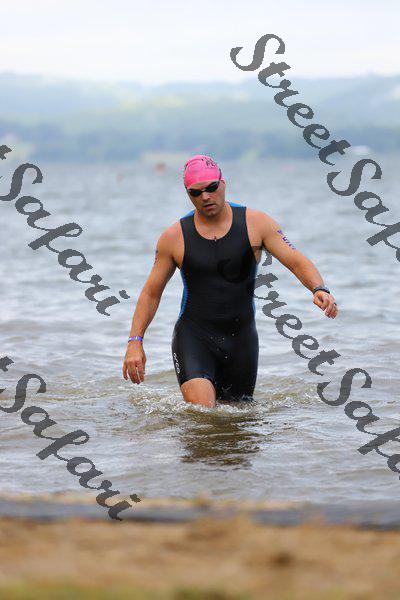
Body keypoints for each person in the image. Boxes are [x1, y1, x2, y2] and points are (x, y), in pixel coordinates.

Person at [122, 154, 338, 408]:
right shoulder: (174, 237)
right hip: (194, 338)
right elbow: (151, 293)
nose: (205, 197)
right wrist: (135, 342)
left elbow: (295, 260)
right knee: (203, 413)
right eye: (196, 192)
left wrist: (318, 288)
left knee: (237, 421)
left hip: (242, 342)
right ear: (188, 194)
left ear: (223, 183)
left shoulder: (256, 223)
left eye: (211, 188)